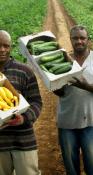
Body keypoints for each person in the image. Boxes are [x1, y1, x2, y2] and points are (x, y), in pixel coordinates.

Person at [54, 25, 93, 175]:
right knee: (71, 167)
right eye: (75, 38)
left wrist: (86, 86)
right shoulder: (64, 59)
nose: (79, 41)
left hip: (90, 122)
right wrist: (56, 85)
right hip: (67, 121)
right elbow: (60, 92)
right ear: (70, 39)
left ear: (88, 40)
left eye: (82, 38)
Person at [0, 30, 42, 175]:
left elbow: (36, 102)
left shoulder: (24, 71)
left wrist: (24, 118)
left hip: (23, 141)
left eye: (6, 46)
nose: (2, 49)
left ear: (11, 47)